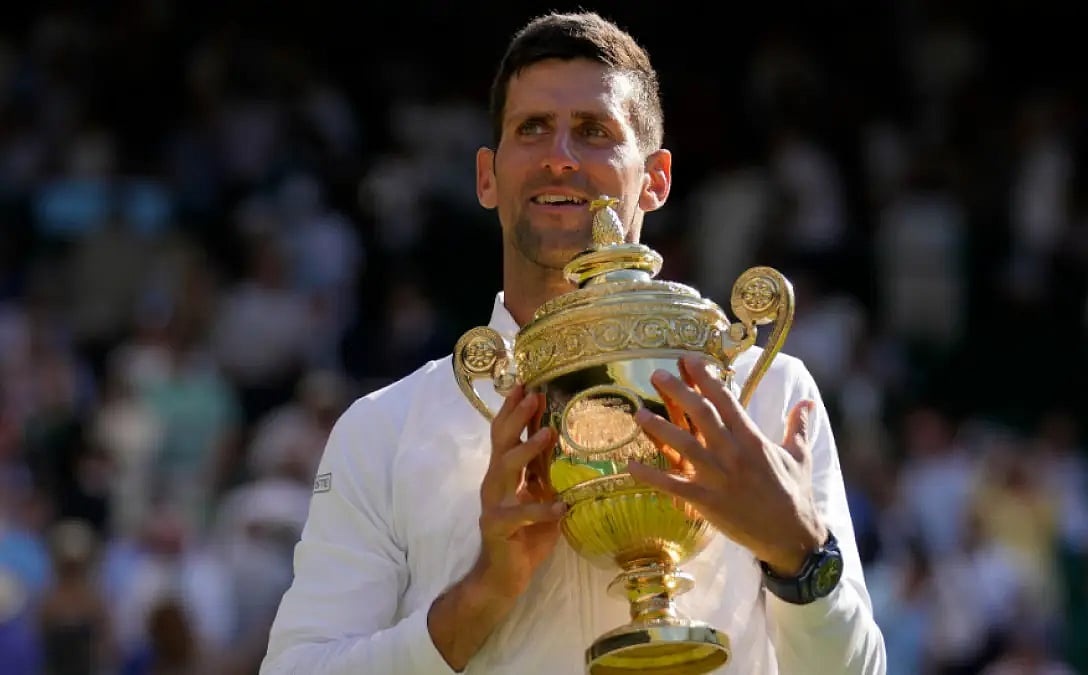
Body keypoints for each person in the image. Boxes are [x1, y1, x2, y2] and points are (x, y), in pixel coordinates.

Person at [261, 12, 885, 674]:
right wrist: (482, 593)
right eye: (532, 128)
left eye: (594, 132)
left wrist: (801, 556)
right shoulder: (383, 431)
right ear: (486, 177)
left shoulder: (764, 391)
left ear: (656, 178)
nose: (560, 154)